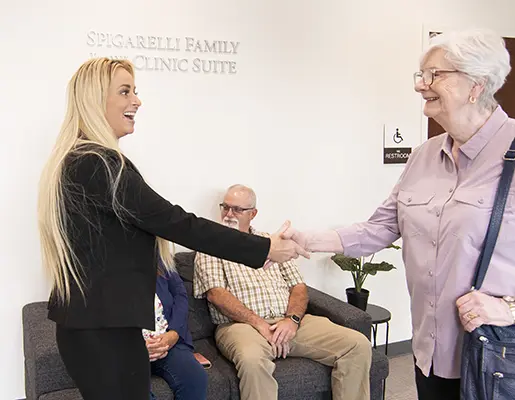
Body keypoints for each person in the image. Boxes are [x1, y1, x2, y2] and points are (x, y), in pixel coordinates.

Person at [284, 29, 515, 400]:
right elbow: (382, 227)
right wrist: (306, 240)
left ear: (476, 84)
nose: (422, 85)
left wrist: (511, 309)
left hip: (512, 358)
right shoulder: (423, 156)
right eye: (421, 74)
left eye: (435, 74)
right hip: (434, 356)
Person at [37, 58, 308, 400]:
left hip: (103, 330)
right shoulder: (98, 164)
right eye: (125, 91)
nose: (137, 100)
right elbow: (177, 223)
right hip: (103, 334)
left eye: (135, 91)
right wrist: (264, 247)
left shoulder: (80, 161)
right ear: (94, 99)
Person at [194, 184, 372, 400]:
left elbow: (298, 286)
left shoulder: (273, 243)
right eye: (226, 207)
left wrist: (292, 320)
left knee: (357, 344)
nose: (229, 214)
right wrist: (261, 325)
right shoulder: (211, 246)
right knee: (252, 360)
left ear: (253, 214)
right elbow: (216, 295)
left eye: (237, 210)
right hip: (241, 326)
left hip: (290, 322)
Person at [145, 263, 208, 400]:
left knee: (195, 377)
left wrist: (173, 333)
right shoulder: (101, 258)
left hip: (168, 340)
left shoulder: (159, 257)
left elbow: (180, 294)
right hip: (127, 347)